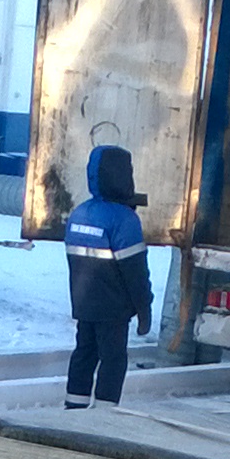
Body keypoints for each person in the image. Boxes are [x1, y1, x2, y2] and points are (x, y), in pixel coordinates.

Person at [64, 144, 153, 408]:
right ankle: (104, 413)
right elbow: (135, 271)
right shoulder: (124, 219)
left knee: (84, 353)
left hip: (84, 303)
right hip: (113, 307)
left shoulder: (79, 213)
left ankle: (73, 407)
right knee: (113, 359)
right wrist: (144, 308)